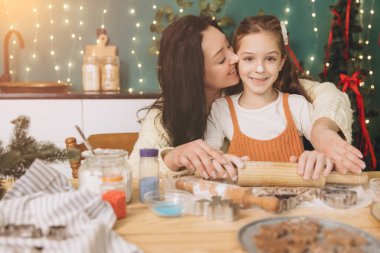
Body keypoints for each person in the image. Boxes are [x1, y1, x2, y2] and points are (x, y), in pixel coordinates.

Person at [128, 15, 365, 180]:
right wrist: (174, 157)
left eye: (229, 47)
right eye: (221, 59)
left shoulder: (257, 83)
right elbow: (134, 172)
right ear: (195, 74)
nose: (235, 59)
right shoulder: (165, 117)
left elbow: (329, 93)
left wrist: (322, 131)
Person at [205, 15, 336, 180]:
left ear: (281, 62)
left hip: (295, 202)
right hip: (244, 203)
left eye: (270, 59)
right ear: (236, 60)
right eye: (249, 58)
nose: (260, 68)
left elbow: (328, 152)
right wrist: (218, 162)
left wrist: (319, 157)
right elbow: (207, 159)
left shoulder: (297, 105)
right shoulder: (221, 109)